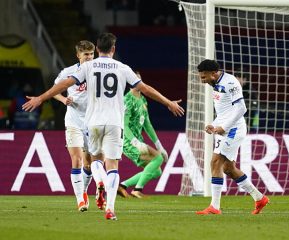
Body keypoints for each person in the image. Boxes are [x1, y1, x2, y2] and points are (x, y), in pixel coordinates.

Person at [22, 32, 185, 220]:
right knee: (113, 166)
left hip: (93, 122)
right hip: (115, 122)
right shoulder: (123, 68)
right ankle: (111, 209)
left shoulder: (88, 67)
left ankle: (99, 182)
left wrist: (41, 98)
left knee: (95, 161)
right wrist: (168, 103)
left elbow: (64, 84)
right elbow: (145, 89)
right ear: (113, 49)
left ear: (97, 49)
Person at [195, 59, 269, 215]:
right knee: (229, 168)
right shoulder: (215, 85)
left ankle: (214, 207)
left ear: (213, 73)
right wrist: (214, 124)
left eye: (204, 77)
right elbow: (225, 111)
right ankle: (259, 197)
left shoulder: (230, 83)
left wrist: (223, 127)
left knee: (215, 162)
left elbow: (242, 108)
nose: (203, 81)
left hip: (234, 129)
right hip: (224, 129)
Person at [52, 40, 95, 212]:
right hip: (74, 121)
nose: (90, 58)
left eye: (92, 54)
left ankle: (83, 191)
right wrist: (63, 99)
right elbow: (55, 89)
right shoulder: (69, 72)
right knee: (76, 160)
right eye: (86, 55)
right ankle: (80, 200)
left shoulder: (98, 72)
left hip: (93, 122)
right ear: (78, 55)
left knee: (89, 164)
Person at [117, 74, 169, 199]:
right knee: (158, 158)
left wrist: (159, 146)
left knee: (156, 171)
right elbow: (123, 124)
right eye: (136, 79)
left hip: (137, 140)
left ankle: (123, 185)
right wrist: (135, 142)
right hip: (128, 141)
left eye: (140, 79)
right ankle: (137, 190)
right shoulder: (127, 100)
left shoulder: (143, 99)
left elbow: (147, 124)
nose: (139, 81)